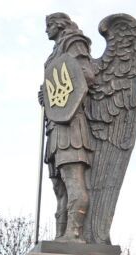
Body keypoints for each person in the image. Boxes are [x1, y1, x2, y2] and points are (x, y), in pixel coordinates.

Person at [40, 12, 96, 242]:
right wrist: (46, 94)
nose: (46, 30)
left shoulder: (74, 42)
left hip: (72, 125)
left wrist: (57, 91)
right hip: (55, 127)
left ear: (59, 24)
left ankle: (74, 234)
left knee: (73, 180)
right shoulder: (56, 51)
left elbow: (86, 76)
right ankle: (60, 235)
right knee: (59, 186)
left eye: (49, 25)